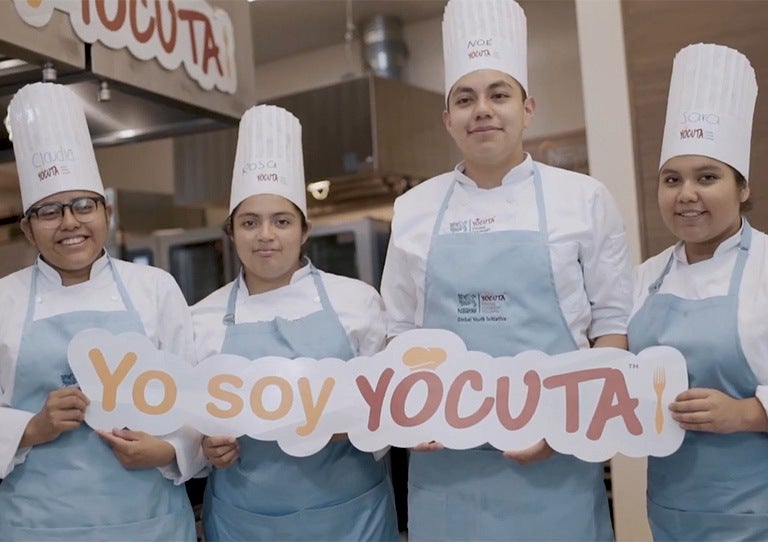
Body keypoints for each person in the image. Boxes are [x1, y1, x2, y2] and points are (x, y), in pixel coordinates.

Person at [380, 0, 632, 540]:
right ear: (448, 118)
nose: (483, 110)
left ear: (528, 107)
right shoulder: (415, 210)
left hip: (556, 464)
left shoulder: (582, 200)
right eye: (465, 99)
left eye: (499, 94)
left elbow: (612, 329)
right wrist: (412, 415)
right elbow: (398, 334)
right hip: (448, 470)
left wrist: (566, 427)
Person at [0, 83, 199, 540]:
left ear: (106, 212)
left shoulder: (154, 289)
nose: (69, 222)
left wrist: (167, 450)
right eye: (49, 211)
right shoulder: (4, 301)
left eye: (83, 205)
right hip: (37, 527)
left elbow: (197, 400)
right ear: (28, 229)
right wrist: (31, 427)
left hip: (150, 523)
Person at [191, 104, 399, 542]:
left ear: (305, 230)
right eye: (250, 222)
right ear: (231, 232)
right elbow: (190, 429)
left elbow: (392, 412)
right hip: (242, 524)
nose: (265, 235)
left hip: (352, 520)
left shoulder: (357, 302)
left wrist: (352, 424)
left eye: (281, 221)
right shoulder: (199, 321)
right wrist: (206, 448)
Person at [628, 43, 768, 540]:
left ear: (742, 187)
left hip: (756, 514)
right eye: (672, 180)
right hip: (670, 513)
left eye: (706, 177)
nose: (686, 194)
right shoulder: (643, 278)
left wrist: (748, 414)